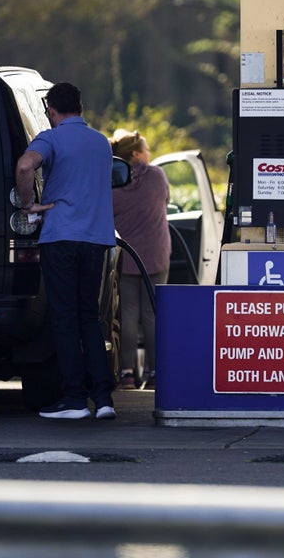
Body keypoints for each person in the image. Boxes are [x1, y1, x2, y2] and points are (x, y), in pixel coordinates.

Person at [15, 82, 118, 421]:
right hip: (96, 240)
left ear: (51, 111)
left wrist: (28, 205)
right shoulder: (100, 142)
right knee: (90, 317)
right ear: (81, 108)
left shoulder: (51, 138)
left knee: (64, 318)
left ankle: (74, 398)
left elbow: (25, 166)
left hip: (61, 238)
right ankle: (103, 398)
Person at [109, 129, 171, 391]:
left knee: (127, 314)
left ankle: (126, 374)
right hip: (156, 255)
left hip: (125, 257)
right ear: (135, 154)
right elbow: (166, 201)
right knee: (152, 314)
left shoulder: (111, 180)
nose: (149, 154)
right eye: (146, 150)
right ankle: (155, 373)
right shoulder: (157, 176)